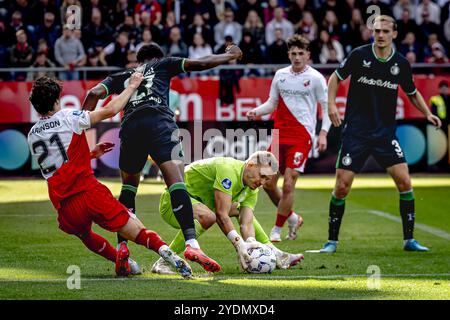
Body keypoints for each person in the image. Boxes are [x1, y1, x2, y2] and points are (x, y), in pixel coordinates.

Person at [81, 42, 244, 273]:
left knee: (128, 188)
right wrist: (230, 56)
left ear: (138, 61)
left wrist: (80, 131)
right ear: (158, 57)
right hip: (159, 124)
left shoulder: (122, 76)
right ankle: (191, 244)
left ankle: (123, 248)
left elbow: (93, 93)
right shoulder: (163, 65)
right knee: (176, 182)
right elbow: (201, 63)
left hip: (130, 129)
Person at [27, 74, 193, 279]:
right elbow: (110, 110)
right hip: (89, 193)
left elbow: (59, 163)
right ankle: (171, 256)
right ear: (56, 100)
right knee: (137, 231)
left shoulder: (33, 134)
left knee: (85, 235)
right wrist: (131, 86)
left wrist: (89, 154)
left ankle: (124, 262)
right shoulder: (68, 117)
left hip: (65, 205)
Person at [322, 15, 442, 253]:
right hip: (356, 133)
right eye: (377, 31)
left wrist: (427, 113)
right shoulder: (359, 55)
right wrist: (332, 105)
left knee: (405, 182)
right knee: (342, 186)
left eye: (385, 31)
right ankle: (331, 242)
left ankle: (409, 240)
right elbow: (335, 77)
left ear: (394, 34)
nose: (380, 35)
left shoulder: (401, 64)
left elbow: (412, 92)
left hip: (385, 135)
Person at [151, 152, 304, 275]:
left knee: (239, 210)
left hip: (198, 206)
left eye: (267, 179)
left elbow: (247, 221)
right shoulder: (228, 170)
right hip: (172, 204)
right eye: (262, 176)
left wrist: (250, 243)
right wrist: (239, 244)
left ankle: (273, 251)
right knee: (210, 216)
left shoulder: (252, 188)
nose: (263, 182)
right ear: (250, 165)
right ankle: (164, 261)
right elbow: (221, 214)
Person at [247, 34, 331, 242]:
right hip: (278, 135)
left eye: (301, 53)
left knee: (288, 183)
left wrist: (323, 133)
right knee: (266, 183)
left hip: (302, 135)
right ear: (288, 54)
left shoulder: (316, 78)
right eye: (293, 53)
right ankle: (292, 218)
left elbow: (327, 108)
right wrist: (256, 111)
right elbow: (271, 103)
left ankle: (277, 228)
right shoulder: (280, 75)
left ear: (308, 55)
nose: (297, 57)